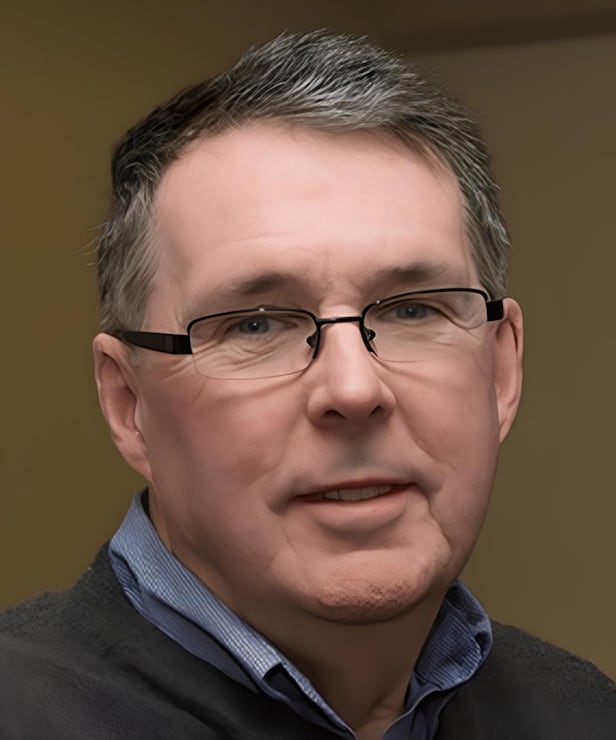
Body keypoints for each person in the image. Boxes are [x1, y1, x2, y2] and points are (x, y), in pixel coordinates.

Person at [1, 30, 614, 740]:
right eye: (256, 324)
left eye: (414, 310)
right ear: (128, 403)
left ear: (502, 372)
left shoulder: (583, 714)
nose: (353, 390)